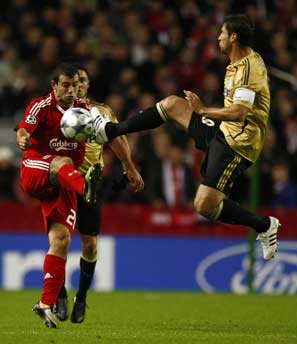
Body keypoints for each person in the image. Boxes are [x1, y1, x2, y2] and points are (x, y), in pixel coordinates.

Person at [93, 14, 281, 260]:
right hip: (222, 130)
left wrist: (203, 110)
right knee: (172, 104)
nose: (218, 37)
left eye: (222, 33)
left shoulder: (248, 70)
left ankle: (265, 226)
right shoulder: (238, 61)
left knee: (203, 205)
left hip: (238, 145)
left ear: (233, 37)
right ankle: (111, 130)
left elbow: (239, 112)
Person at [15, 62, 102, 329]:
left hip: (63, 180)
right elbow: (24, 129)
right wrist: (21, 138)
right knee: (62, 161)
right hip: (37, 168)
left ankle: (45, 303)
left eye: (75, 85)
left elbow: (105, 133)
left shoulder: (85, 111)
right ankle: (85, 187)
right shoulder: (42, 105)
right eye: (65, 84)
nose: (70, 89)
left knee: (62, 238)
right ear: (55, 86)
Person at [54, 65, 144, 324]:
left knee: (90, 244)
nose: (78, 85)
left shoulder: (102, 112)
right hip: (62, 182)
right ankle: (58, 291)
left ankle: (80, 297)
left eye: (82, 80)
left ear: (88, 85)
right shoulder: (58, 110)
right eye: (73, 81)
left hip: (90, 185)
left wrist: (130, 167)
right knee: (59, 239)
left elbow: (117, 140)